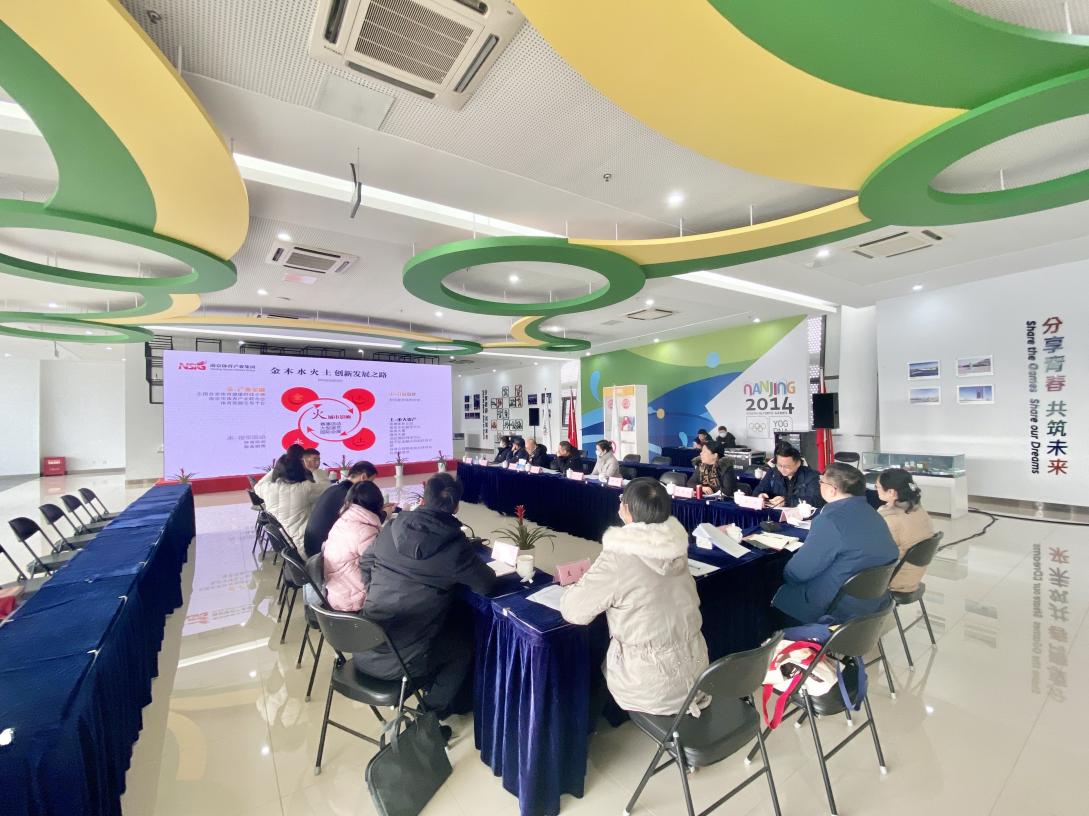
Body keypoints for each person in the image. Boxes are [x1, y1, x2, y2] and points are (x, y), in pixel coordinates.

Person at [560, 478, 708, 715]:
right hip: (697, 672)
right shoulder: (677, 548)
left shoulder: (618, 557)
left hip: (649, 685)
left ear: (627, 510)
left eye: (622, 499)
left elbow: (573, 611)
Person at [357, 473, 495, 719]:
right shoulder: (455, 546)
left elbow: (365, 562)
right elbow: (486, 584)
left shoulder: (391, 528)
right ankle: (429, 714)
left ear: (422, 499)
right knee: (462, 647)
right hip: (402, 662)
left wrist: (379, 590)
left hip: (363, 644)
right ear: (456, 507)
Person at [772, 463, 898, 624]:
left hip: (837, 606)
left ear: (832, 490)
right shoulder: (873, 514)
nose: (819, 485)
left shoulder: (830, 520)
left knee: (773, 584)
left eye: (821, 482)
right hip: (872, 600)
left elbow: (798, 573)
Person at [322, 480, 386, 612]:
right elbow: (380, 565)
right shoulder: (365, 531)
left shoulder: (343, 520)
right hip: (354, 602)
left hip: (338, 593)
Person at [876, 468, 936, 594]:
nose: (876, 489)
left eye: (878, 487)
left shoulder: (892, 520)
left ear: (891, 492)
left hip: (895, 581)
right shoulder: (919, 510)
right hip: (913, 576)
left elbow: (876, 553)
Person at [302, 460, 378, 557]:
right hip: (321, 554)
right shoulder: (348, 496)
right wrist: (384, 513)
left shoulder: (335, 489)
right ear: (363, 477)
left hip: (312, 547)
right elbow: (364, 523)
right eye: (371, 481)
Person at [255, 454, 326, 545]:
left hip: (286, 543)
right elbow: (327, 488)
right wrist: (315, 471)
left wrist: (278, 467)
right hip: (306, 544)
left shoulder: (267, 488)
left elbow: (258, 486)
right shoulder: (304, 489)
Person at [754, 445, 824, 508]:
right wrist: (760, 495)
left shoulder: (811, 476)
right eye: (779, 465)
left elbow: (817, 501)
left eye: (787, 466)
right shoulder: (772, 473)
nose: (782, 469)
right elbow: (757, 490)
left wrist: (787, 501)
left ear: (798, 463)